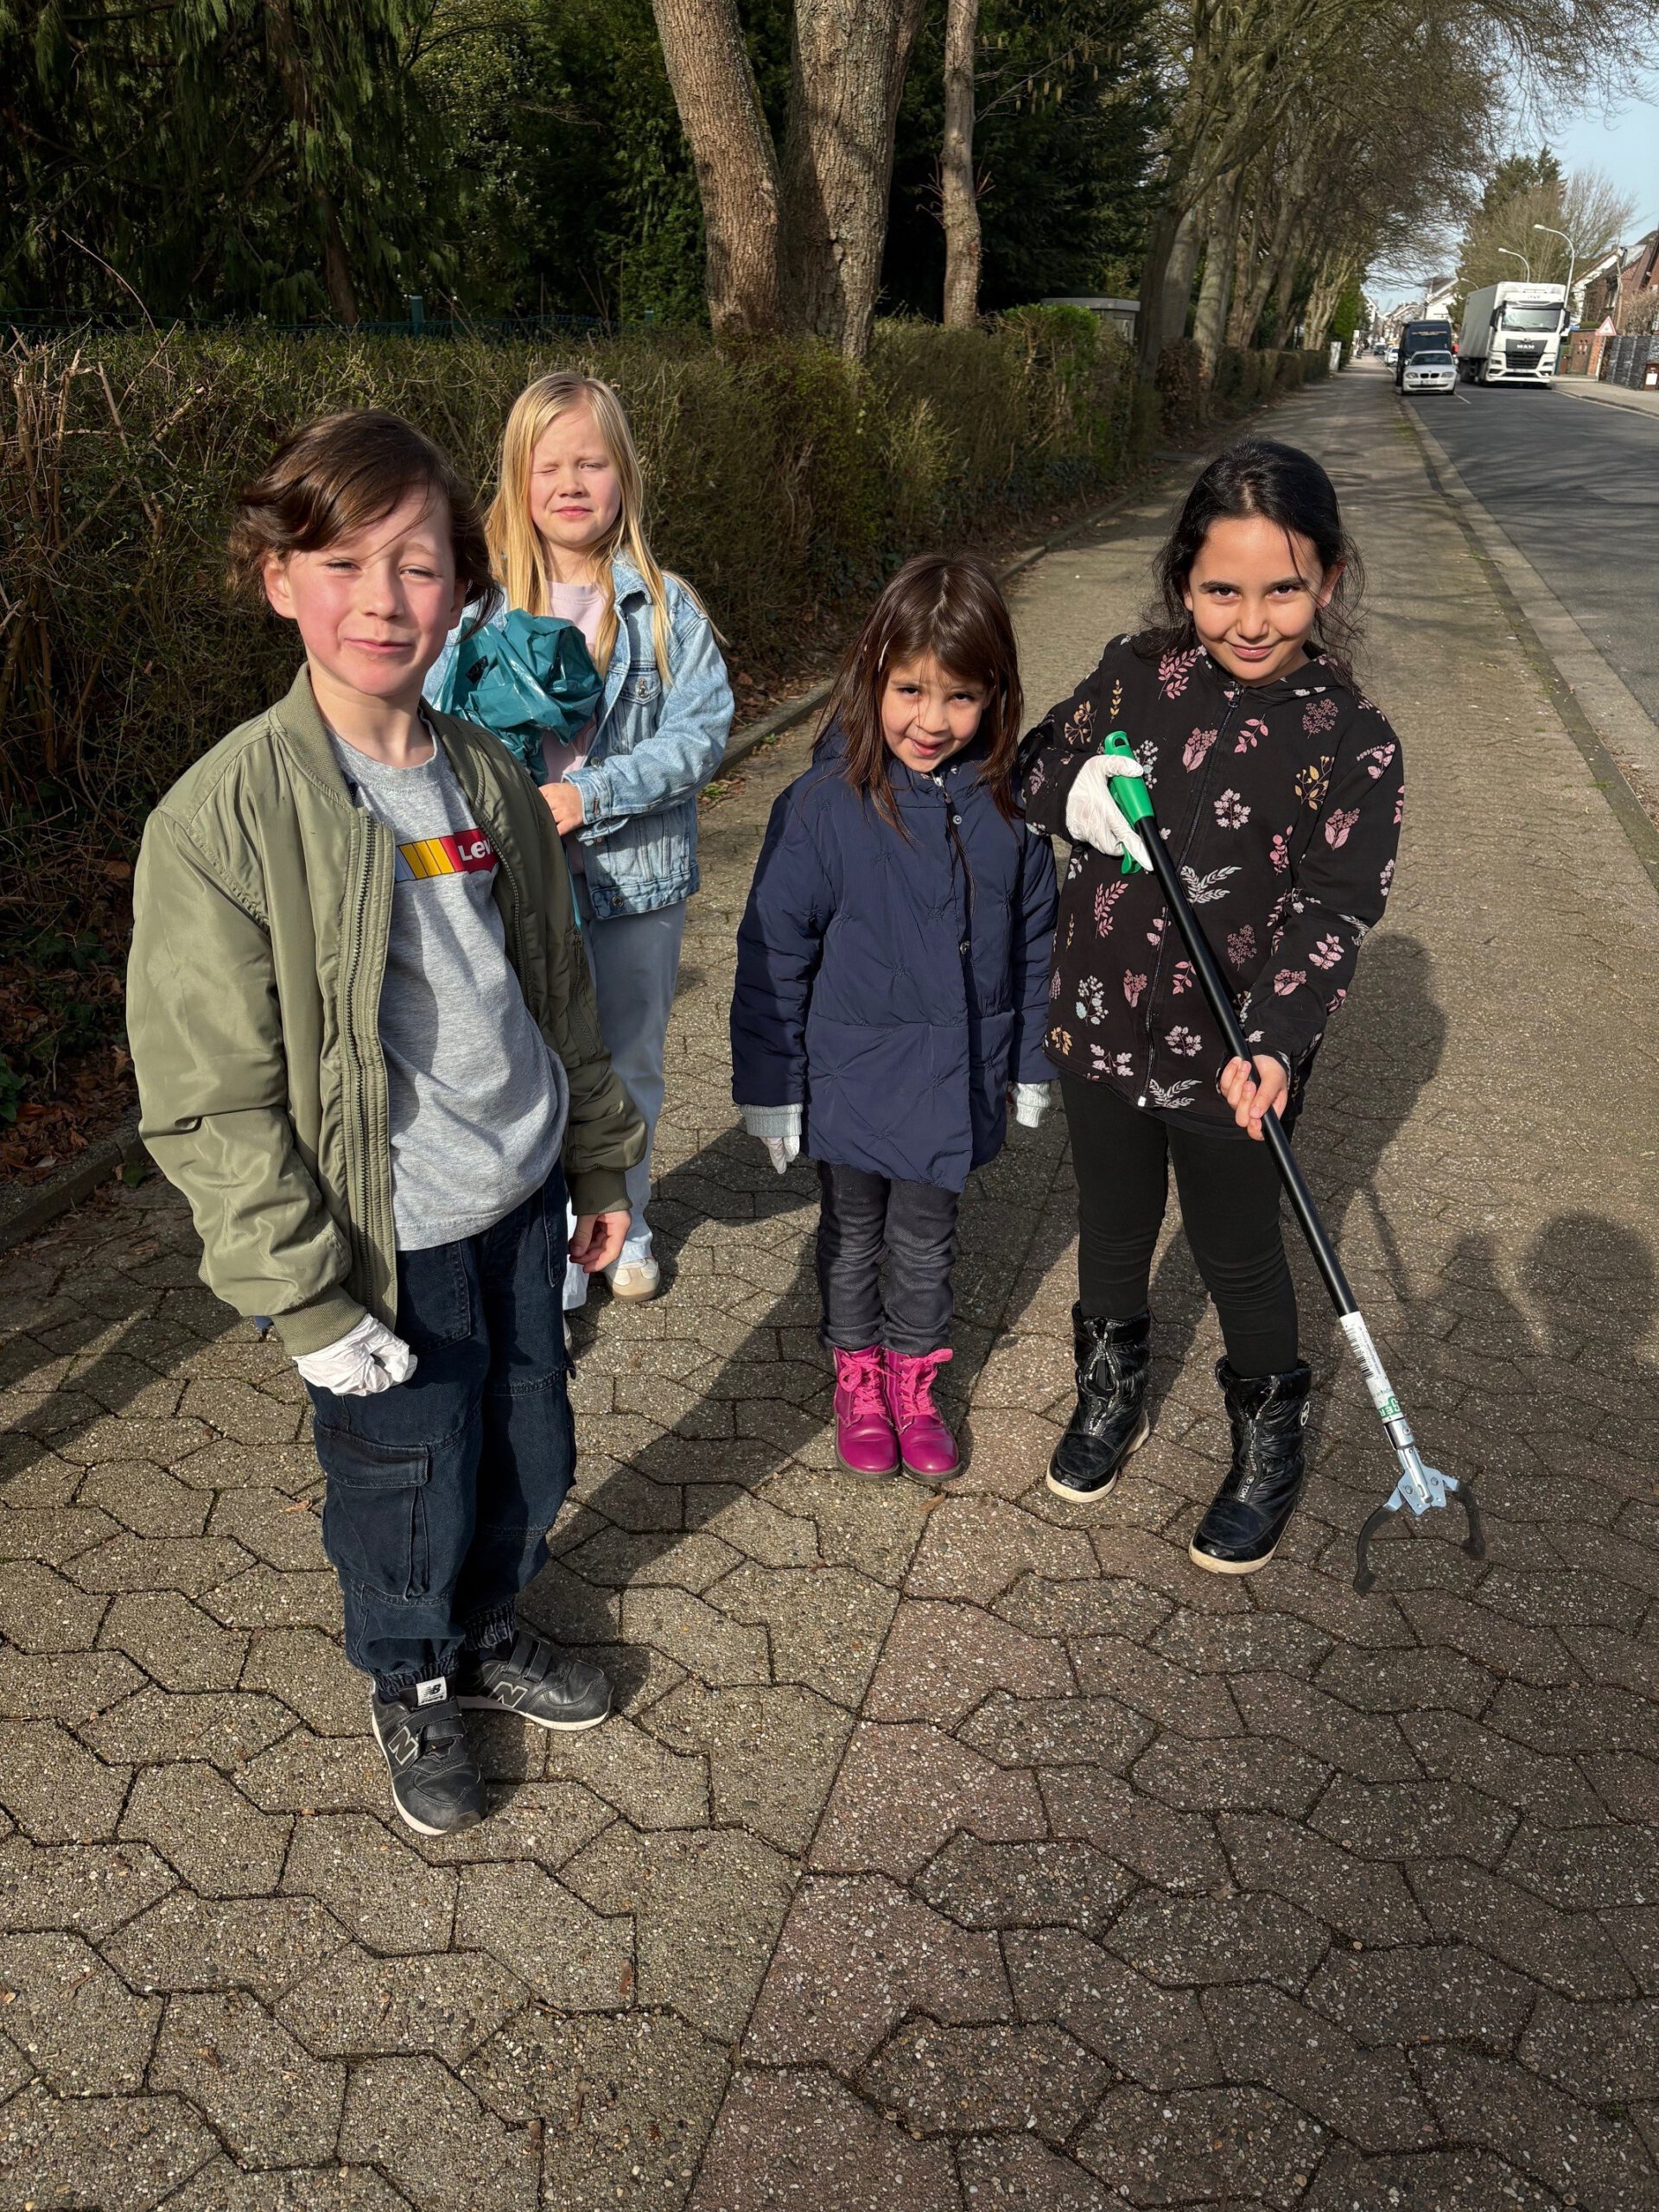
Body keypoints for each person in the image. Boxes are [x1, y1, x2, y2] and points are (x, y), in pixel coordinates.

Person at [127, 410, 645, 1836]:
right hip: (383, 1245)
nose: (381, 599)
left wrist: (599, 1161)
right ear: (276, 579)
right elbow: (209, 1097)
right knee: (403, 1483)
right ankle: (410, 1671)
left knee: (529, 1447)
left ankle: (485, 1628)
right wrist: (302, 1297)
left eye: (416, 565)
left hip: (521, 1204)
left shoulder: (488, 780)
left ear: (465, 587)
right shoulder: (221, 821)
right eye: (341, 563)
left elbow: (559, 991)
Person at [1020, 436, 1404, 1574]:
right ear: (1182, 580)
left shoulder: (1354, 740)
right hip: (1101, 1020)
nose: (1251, 619)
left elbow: (1335, 909)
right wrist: (1076, 791)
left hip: (1235, 1053)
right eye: (1220, 590)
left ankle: (1268, 1436)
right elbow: (1030, 767)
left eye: (1283, 589)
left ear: (1329, 579)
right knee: (1113, 1221)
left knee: (1238, 1248)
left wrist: (1279, 1043)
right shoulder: (1135, 672)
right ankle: (1109, 1392)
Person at [730, 554, 1057, 1481]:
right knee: (851, 1233)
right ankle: (856, 1376)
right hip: (851, 1078)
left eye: (960, 697)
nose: (931, 720)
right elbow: (773, 952)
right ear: (872, 677)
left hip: (955, 1077)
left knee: (925, 1240)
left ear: (996, 695)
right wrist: (772, 1087)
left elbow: (1037, 946)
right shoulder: (822, 806)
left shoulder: (1011, 808)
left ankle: (913, 1380)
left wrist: (1031, 1061)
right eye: (910, 690)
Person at [432, 372, 733, 1308]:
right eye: (548, 465)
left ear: (624, 477)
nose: (570, 483)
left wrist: (588, 793)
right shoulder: (474, 609)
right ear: (516, 479)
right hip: (516, 889)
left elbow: (700, 733)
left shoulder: (667, 607)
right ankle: (555, 1249)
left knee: (630, 1058)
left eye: (591, 463)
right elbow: (433, 722)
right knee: (531, 1063)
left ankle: (626, 1219)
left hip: (636, 885)